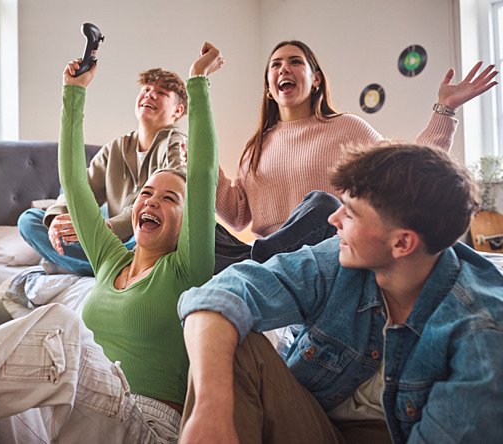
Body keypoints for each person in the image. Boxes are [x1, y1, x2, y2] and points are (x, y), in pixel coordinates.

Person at [0, 42, 223, 443]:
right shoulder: (110, 261)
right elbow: (74, 185)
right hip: (76, 412)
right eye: (146, 193)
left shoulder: (187, 269)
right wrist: (73, 93)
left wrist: (198, 82)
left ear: (188, 220)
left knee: (61, 325)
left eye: (169, 198)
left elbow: (202, 174)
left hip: (145, 422)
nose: (151, 200)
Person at [178, 142, 503, 444]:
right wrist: (211, 409)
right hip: (315, 420)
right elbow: (221, 294)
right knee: (231, 336)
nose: (333, 218)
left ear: (402, 242)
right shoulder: (340, 259)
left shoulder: (480, 334)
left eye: (350, 212)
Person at [213, 40, 498, 267]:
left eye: (295, 62)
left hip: (327, 251)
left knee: (323, 205)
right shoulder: (256, 148)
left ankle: (250, 263)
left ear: (316, 79)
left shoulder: (346, 127)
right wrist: (202, 161)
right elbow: (237, 216)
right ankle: (256, 261)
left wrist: (445, 109)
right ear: (268, 87)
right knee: (206, 233)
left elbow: (410, 166)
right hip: (275, 256)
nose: (284, 69)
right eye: (276, 65)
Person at [18, 67, 188, 276]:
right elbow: (80, 193)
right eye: (145, 89)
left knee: (146, 239)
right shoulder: (114, 149)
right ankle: (107, 267)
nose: (149, 95)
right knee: (29, 220)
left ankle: (84, 264)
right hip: (108, 243)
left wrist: (107, 228)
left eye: (161, 93)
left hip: (144, 240)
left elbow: (161, 206)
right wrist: (56, 220)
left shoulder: (178, 146)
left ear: (177, 111)